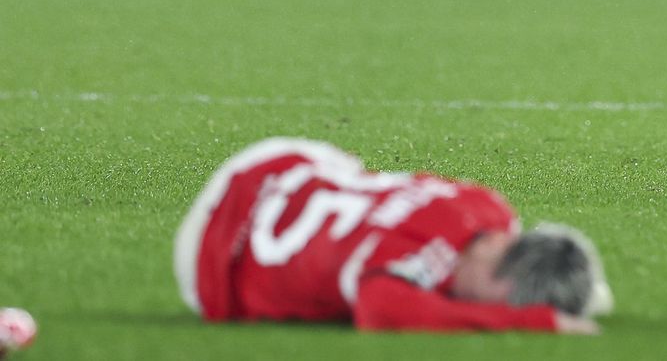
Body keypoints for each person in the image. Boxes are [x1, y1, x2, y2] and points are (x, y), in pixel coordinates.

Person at [173, 137, 610, 334]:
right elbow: (380, 308)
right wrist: (532, 321)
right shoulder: (431, 255)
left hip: (290, 157)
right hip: (217, 248)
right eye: (489, 294)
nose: (473, 304)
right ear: (497, 245)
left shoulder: (490, 207)